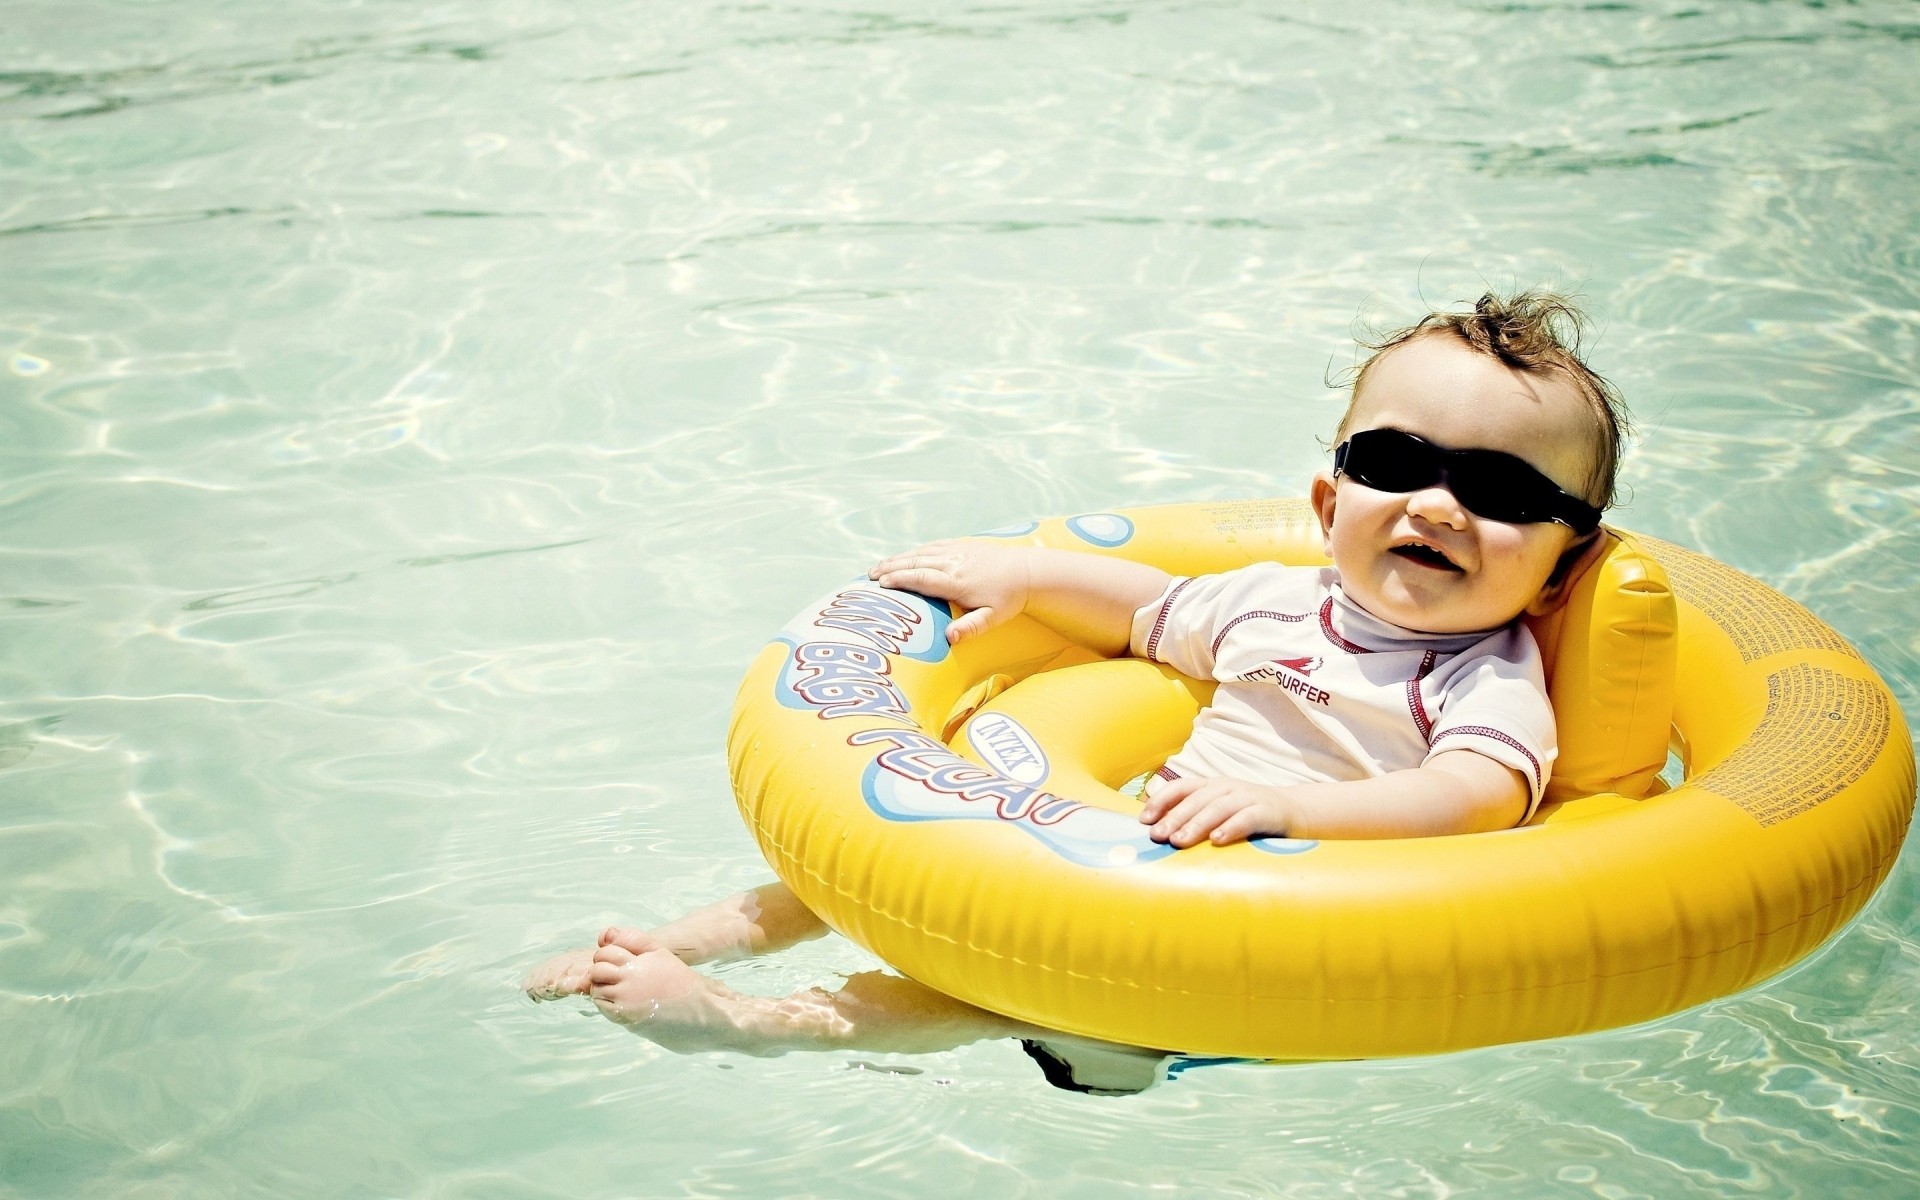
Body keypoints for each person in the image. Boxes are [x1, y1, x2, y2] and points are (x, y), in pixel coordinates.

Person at [525, 289, 1629, 1092]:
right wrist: (1030, 577)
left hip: (1259, 943)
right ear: (1327, 501)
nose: (1436, 505)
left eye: (1498, 488)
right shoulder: (1275, 605)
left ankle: (749, 1022)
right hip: (1126, 856)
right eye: (1396, 462)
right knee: (885, 866)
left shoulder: (1484, 676)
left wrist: (1296, 812)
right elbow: (1145, 609)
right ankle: (671, 943)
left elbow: (1474, 799)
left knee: (989, 994)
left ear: (1564, 568)